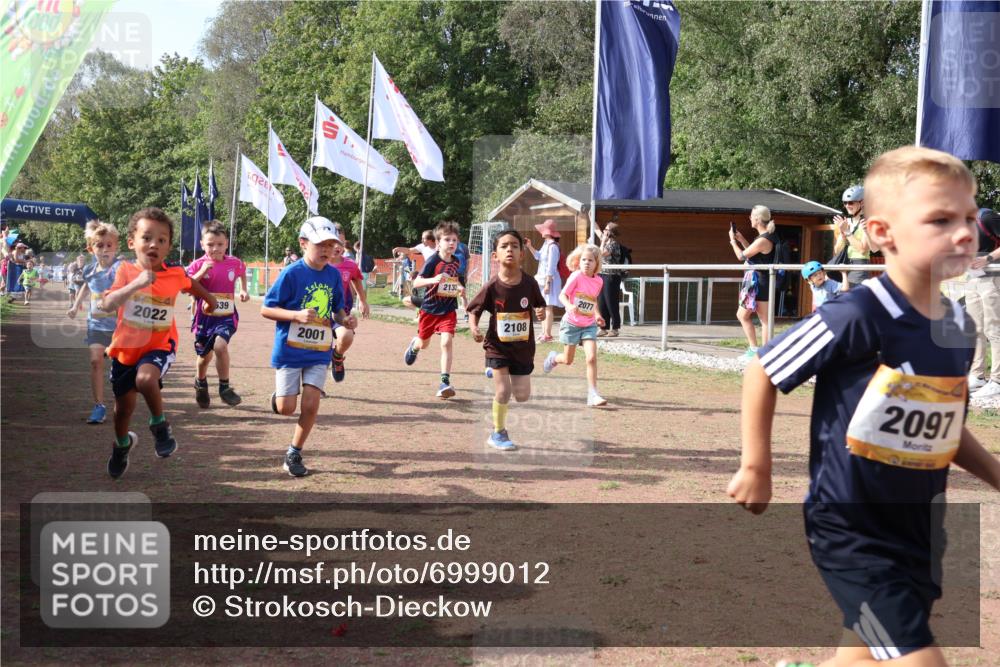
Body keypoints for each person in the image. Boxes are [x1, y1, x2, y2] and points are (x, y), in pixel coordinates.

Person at [728, 146, 1000, 667]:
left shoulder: (957, 328)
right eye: (940, 219)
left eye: (969, 217)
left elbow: (948, 426)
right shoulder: (856, 313)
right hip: (851, 530)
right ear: (881, 233)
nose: (965, 232)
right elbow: (762, 368)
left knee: (863, 651)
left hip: (917, 528)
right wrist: (756, 466)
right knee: (916, 659)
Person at [100, 207, 218, 479]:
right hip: (124, 351)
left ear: (168, 248)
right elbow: (107, 304)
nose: (154, 244)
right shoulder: (125, 271)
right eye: (147, 237)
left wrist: (210, 303)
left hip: (160, 346)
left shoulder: (174, 274)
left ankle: (159, 424)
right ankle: (121, 445)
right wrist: (135, 284)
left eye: (162, 240)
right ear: (132, 242)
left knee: (145, 379)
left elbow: (194, 287)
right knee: (122, 412)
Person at [261, 216, 355, 477]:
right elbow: (266, 309)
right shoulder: (291, 273)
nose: (326, 250)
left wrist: (345, 319)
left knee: (312, 403)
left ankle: (294, 452)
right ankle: (279, 399)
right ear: (303, 244)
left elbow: (337, 310)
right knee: (286, 409)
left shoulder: (334, 275)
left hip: (318, 350)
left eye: (330, 245)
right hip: (290, 350)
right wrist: (295, 316)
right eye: (320, 244)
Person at [467, 229, 546, 450]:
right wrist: (474, 327)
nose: (509, 249)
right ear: (495, 255)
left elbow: (540, 305)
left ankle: (495, 371)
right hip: (497, 346)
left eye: (514, 246)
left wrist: (540, 313)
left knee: (522, 396)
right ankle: (498, 433)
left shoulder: (530, 283)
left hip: (522, 348)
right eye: (504, 246)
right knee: (504, 391)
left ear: (522, 254)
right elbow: (474, 310)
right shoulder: (492, 286)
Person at [186, 220, 249, 409]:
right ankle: (201, 381)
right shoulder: (198, 265)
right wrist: (203, 271)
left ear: (227, 243)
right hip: (205, 317)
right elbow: (187, 286)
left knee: (220, 347)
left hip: (226, 315)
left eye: (220, 244)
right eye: (210, 244)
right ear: (202, 244)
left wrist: (244, 290)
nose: (215, 248)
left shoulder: (234, 263)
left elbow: (242, 271)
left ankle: (224, 388)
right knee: (204, 357)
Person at [402, 221, 465, 399]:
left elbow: (454, 280)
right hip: (429, 309)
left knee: (446, 342)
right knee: (424, 344)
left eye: (454, 240)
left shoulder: (456, 261)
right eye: (447, 240)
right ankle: (415, 345)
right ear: (438, 243)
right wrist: (434, 279)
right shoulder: (433, 261)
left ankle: (444, 382)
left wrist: (459, 287)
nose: (451, 243)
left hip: (448, 309)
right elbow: (417, 282)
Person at [67, 221, 121, 424]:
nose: (105, 249)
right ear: (91, 248)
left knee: (119, 367)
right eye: (100, 245)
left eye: (109, 245)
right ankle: (99, 406)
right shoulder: (89, 270)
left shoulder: (120, 268)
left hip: (119, 327)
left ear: (116, 247)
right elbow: (86, 288)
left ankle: (121, 402)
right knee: (95, 361)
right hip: (96, 325)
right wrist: (75, 306)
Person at [542, 243, 609, 406]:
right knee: (567, 359)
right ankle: (553, 358)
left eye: (590, 260)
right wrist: (569, 306)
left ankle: (593, 394)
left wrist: (598, 316)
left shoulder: (599, 281)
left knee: (591, 358)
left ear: (597, 264)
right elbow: (562, 295)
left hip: (589, 325)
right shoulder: (576, 276)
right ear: (579, 262)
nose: (586, 263)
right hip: (571, 324)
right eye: (584, 260)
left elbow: (592, 301)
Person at [729, 205, 777, 358]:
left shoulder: (764, 239)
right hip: (759, 281)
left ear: (757, 219)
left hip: (760, 282)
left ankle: (761, 352)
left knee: (762, 319)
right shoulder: (763, 237)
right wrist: (741, 238)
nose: (749, 219)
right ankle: (757, 350)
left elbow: (742, 257)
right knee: (748, 316)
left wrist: (732, 241)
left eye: (750, 216)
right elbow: (753, 255)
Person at [965, 207, 1000, 399]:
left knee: (994, 329)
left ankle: (997, 380)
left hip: (993, 278)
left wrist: (987, 258)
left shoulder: (985, 216)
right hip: (972, 279)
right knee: (975, 329)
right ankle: (978, 375)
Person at [329, 234, 370, 382]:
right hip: (319, 313)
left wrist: (363, 301)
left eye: (340, 242)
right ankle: (314, 385)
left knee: (347, 336)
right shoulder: (317, 264)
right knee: (319, 347)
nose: (337, 246)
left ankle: (337, 357)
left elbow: (357, 280)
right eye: (332, 242)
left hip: (340, 312)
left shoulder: (350, 265)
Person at [525, 218, 561, 342]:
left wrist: (547, 283)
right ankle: (544, 332)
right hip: (542, 279)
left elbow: (551, 266)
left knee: (548, 307)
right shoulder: (546, 244)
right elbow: (538, 256)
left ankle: (548, 333)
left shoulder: (553, 247)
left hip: (549, 280)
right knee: (542, 305)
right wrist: (529, 246)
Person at [834, 185, 873, 289]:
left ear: (862, 203)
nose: (847, 205)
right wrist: (842, 234)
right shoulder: (846, 222)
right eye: (845, 203)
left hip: (859, 267)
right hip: (845, 265)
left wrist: (847, 232)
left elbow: (862, 249)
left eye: (851, 202)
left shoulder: (867, 222)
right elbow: (837, 250)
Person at [394, 229, 437, 310]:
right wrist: (398, 248)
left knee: (438, 297)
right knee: (427, 295)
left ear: (430, 239)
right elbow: (409, 250)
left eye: (424, 238)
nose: (422, 240)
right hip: (428, 276)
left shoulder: (439, 247)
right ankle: (421, 312)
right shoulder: (422, 247)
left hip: (439, 275)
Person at [596, 222, 626, 337]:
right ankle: (603, 328)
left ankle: (615, 328)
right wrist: (590, 217)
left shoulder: (613, 244)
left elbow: (600, 254)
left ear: (610, 233)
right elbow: (597, 230)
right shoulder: (606, 241)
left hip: (612, 276)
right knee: (602, 302)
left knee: (611, 301)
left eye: (606, 229)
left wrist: (602, 241)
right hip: (602, 275)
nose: (603, 231)